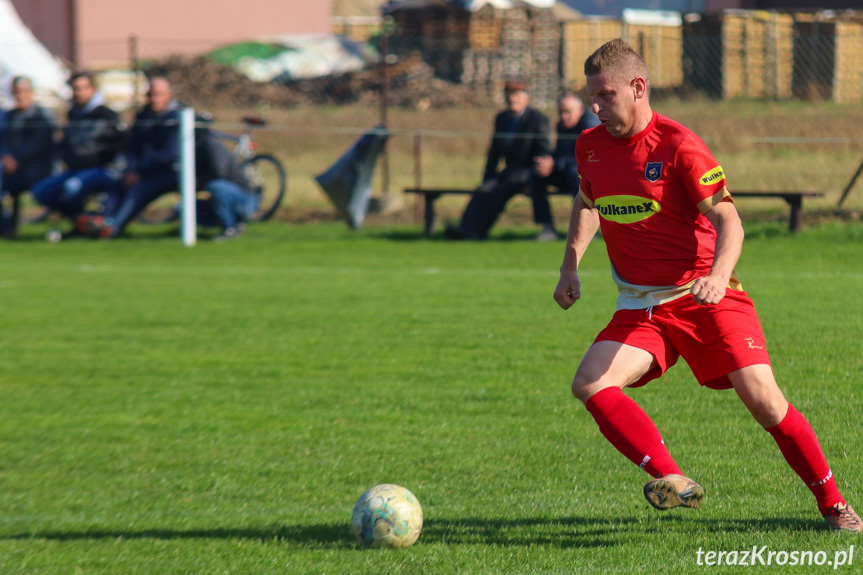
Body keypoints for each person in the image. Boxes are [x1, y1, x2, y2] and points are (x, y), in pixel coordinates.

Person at [553, 39, 860, 532]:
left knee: (764, 400)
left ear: (638, 87)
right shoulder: (589, 145)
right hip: (641, 303)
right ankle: (671, 478)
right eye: (591, 95)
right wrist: (570, 266)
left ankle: (834, 504)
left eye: (605, 95)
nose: (595, 105)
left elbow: (731, 221)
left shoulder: (678, 145)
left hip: (701, 292)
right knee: (591, 382)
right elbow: (588, 202)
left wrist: (717, 278)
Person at [445, 80, 551, 240]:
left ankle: (479, 232)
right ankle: (465, 229)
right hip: (509, 171)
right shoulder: (502, 119)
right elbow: (494, 151)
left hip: (527, 172)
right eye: (508, 95)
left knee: (500, 191)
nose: (512, 99)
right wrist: (488, 176)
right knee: (483, 190)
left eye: (516, 95)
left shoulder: (537, 119)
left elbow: (544, 150)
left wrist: (535, 179)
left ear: (526, 98)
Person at [80, 76, 180, 238]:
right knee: (116, 183)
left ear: (169, 95)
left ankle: (112, 228)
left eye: (159, 94)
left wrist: (140, 172)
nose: (154, 99)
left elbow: (169, 155)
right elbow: (132, 147)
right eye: (151, 94)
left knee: (138, 189)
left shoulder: (177, 118)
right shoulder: (142, 117)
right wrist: (132, 169)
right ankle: (101, 220)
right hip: (140, 170)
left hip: (167, 172)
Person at [32, 72, 124, 229]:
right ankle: (82, 221)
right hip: (75, 170)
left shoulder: (107, 115)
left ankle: (94, 223)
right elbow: (65, 146)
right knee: (41, 192)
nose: (78, 93)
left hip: (102, 170)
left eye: (83, 88)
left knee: (72, 187)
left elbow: (118, 147)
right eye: (75, 89)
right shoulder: (72, 115)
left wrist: (96, 160)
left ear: (93, 90)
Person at [531, 92, 599, 242]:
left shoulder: (590, 126)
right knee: (537, 174)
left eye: (567, 112)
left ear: (580, 110)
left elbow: (587, 159)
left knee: (574, 173)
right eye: (561, 112)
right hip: (567, 170)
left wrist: (555, 164)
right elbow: (562, 152)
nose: (563, 116)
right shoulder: (562, 126)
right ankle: (547, 228)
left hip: (592, 177)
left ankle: (587, 228)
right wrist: (548, 162)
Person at [0, 76, 55, 237]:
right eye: (17, 92)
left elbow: (39, 144)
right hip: (10, 166)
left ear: (32, 93)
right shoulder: (8, 117)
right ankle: (4, 225)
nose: (20, 96)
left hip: (35, 168)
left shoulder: (42, 116)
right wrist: (6, 156)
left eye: (24, 91)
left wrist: (16, 158)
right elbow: (3, 141)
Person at [192, 126, 259, 241]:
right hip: (225, 197)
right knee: (182, 208)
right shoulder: (195, 149)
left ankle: (230, 228)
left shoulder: (212, 146)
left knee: (216, 186)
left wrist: (199, 181)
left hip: (245, 201)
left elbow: (219, 172)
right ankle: (235, 223)